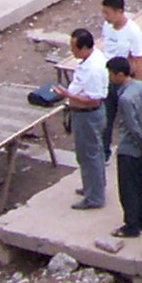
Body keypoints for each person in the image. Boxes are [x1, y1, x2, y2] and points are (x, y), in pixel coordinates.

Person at [104, 57, 142, 240]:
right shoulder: (141, 87)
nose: (109, 77)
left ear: (119, 75)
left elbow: (132, 126)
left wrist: (140, 142)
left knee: (128, 189)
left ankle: (131, 225)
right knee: (141, 185)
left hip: (129, 148)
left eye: (111, 74)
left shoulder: (124, 98)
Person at [60, 28, 108, 209]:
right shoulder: (91, 59)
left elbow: (93, 99)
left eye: (74, 47)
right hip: (85, 115)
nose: (72, 51)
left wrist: (68, 95)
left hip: (87, 116)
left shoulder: (93, 69)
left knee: (88, 155)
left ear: (85, 47)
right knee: (93, 152)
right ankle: (93, 186)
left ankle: (94, 197)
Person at [98, 0, 142, 81]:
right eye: (103, 13)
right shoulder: (107, 25)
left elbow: (139, 60)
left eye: (107, 13)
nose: (104, 17)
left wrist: (138, 86)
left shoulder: (133, 31)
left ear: (119, 12)